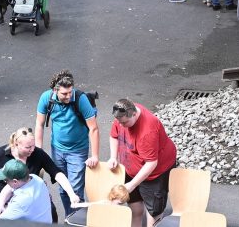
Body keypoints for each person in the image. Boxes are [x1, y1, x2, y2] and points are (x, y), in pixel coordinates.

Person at [34, 70, 100, 216]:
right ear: (54, 90)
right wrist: (38, 152)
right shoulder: (46, 98)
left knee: (75, 190)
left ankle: (75, 220)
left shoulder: (80, 99)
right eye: (64, 94)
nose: (69, 96)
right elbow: (39, 124)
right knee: (64, 188)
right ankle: (70, 217)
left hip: (78, 150)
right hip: (57, 149)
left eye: (70, 92)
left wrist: (94, 155)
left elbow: (93, 128)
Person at [0, 127, 79, 221]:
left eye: (33, 145)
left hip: (26, 194)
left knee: (50, 209)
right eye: (28, 147)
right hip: (0, 193)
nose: (32, 149)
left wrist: (71, 194)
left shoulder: (37, 154)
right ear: (16, 144)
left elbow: (56, 173)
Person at [108, 99, 177, 227]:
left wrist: (132, 185)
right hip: (130, 165)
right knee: (135, 208)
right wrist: (113, 157)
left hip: (154, 172)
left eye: (125, 123)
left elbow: (151, 163)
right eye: (119, 122)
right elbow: (114, 135)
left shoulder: (148, 131)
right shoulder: (122, 114)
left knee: (153, 213)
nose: (121, 126)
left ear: (134, 114)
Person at [0, 159, 77, 222]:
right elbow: (9, 188)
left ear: (15, 181)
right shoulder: (34, 178)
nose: (6, 182)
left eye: (6, 180)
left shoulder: (22, 201)